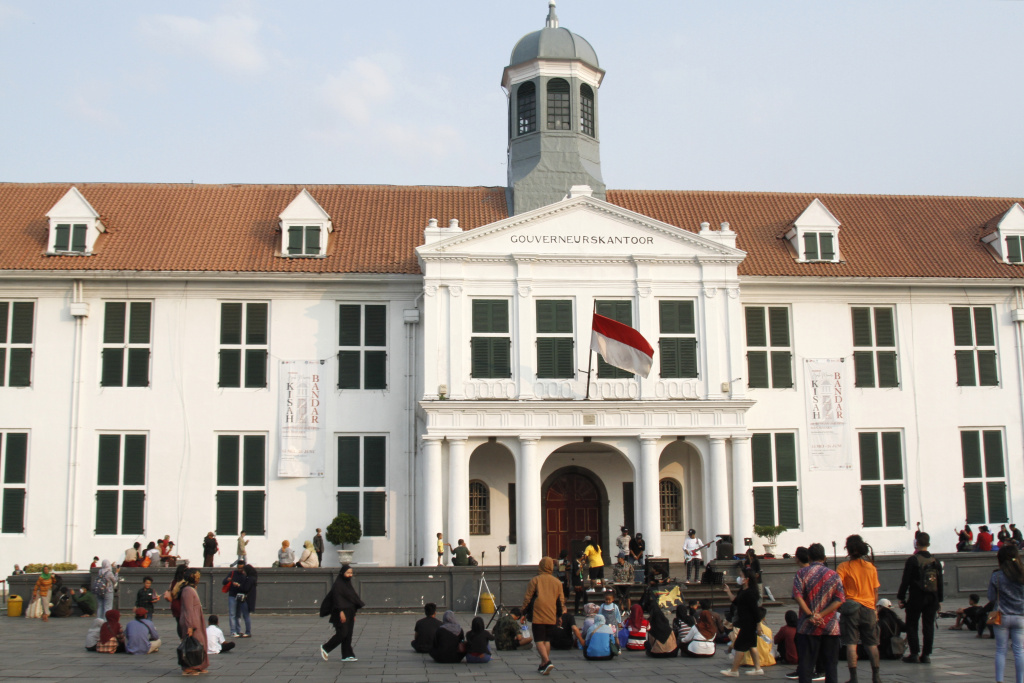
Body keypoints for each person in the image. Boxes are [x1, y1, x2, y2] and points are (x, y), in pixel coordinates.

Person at [793, 543, 845, 683]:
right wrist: (821, 615)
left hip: (807, 626)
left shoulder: (801, 573)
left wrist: (811, 614)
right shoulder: (833, 575)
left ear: (809, 557)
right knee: (831, 666)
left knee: (806, 665)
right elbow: (839, 599)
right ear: (825, 557)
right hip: (830, 626)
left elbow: (797, 596)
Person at [836, 534, 881, 683]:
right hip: (868, 607)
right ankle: (876, 676)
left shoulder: (843, 567)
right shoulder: (870, 567)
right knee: (872, 644)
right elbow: (875, 591)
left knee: (851, 643)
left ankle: (853, 677)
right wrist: (874, 608)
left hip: (851, 608)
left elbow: (838, 586)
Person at [897, 530, 943, 664]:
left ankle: (914, 653)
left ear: (916, 543)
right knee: (928, 626)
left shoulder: (913, 560)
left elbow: (905, 580)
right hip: (932, 597)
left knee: (912, 624)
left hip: (916, 596)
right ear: (928, 543)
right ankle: (926, 654)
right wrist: (939, 600)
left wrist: (901, 597)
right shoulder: (935, 561)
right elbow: (940, 582)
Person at [521, 556, 564, 674]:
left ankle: (547, 661)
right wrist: (560, 615)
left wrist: (523, 611)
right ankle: (543, 664)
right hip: (551, 612)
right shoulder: (557, 582)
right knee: (547, 640)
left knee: (539, 639)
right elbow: (561, 600)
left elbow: (528, 597)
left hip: (538, 612)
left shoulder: (535, 580)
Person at [988, 543, 1024, 683]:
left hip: (1001, 616)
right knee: (1019, 651)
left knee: (1001, 650)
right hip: (1020, 616)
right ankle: (1020, 680)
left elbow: (991, 597)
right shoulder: (1022, 575)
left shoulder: (996, 575)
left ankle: (999, 680)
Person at [721, 568, 763, 677]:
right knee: (752, 645)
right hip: (744, 621)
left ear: (747, 579)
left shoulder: (750, 593)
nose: (739, 578)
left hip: (749, 623)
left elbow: (755, 610)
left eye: (741, 576)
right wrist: (728, 592)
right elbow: (736, 601)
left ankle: (734, 670)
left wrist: (758, 625)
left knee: (740, 645)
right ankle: (758, 668)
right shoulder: (743, 591)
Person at [320, 564, 364, 662]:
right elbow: (337, 599)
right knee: (342, 633)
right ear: (342, 573)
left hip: (350, 612)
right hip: (340, 612)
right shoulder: (338, 585)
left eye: (351, 573)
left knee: (348, 634)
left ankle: (347, 655)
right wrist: (341, 612)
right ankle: (326, 648)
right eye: (348, 573)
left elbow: (352, 599)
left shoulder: (348, 585)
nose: (350, 575)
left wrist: (354, 614)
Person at [179, 567, 210, 675]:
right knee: (191, 644)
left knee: (200, 642)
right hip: (191, 621)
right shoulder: (187, 590)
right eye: (196, 576)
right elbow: (188, 610)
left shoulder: (191, 589)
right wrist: (189, 626)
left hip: (196, 619)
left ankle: (198, 665)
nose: (198, 578)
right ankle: (188, 667)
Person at [224, 565, 253, 637]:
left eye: (241, 568)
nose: (240, 570)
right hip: (233, 595)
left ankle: (238, 630)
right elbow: (224, 582)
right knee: (232, 614)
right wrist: (228, 580)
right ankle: (233, 631)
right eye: (239, 568)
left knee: (238, 614)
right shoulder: (232, 573)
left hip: (241, 596)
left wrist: (239, 585)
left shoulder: (246, 576)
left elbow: (245, 587)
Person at [165, 564, 189, 638]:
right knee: (185, 623)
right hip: (182, 603)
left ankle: (181, 639)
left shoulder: (173, 581)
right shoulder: (184, 582)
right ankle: (184, 638)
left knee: (179, 623)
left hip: (174, 603)